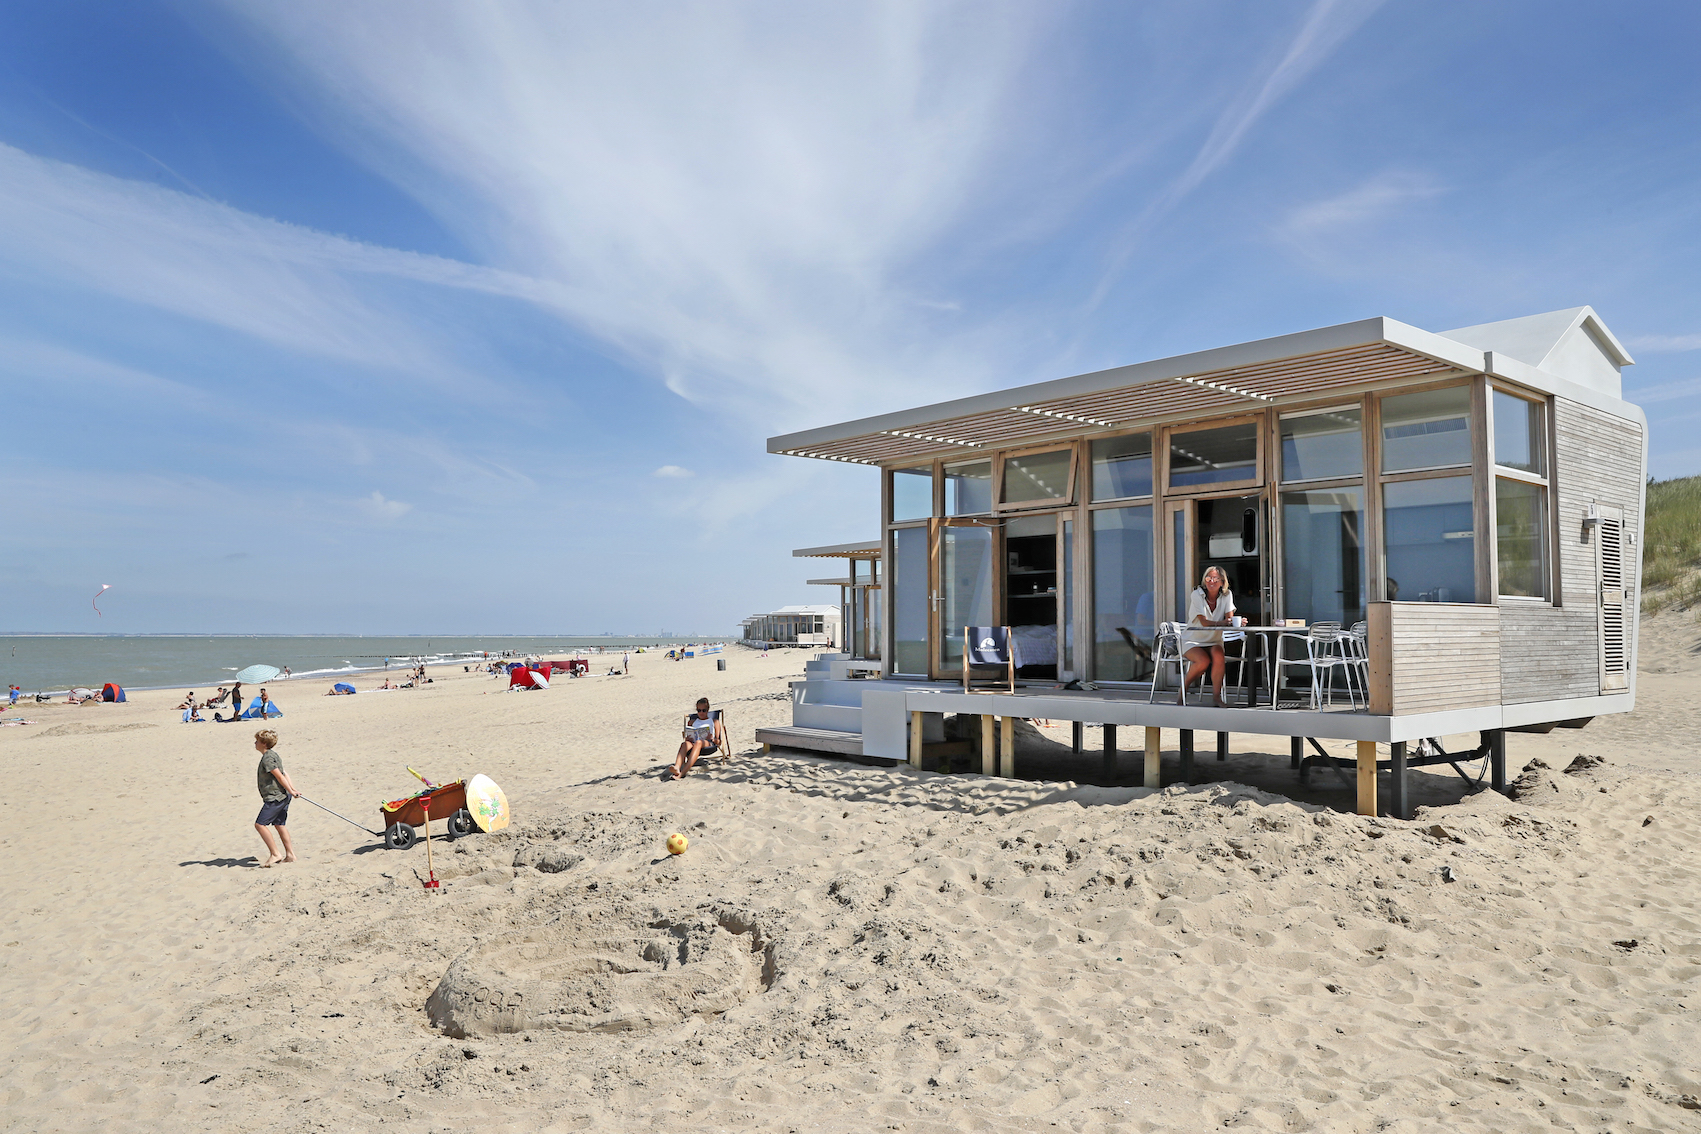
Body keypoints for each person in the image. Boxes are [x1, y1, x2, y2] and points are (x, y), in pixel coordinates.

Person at [1179, 565, 1236, 708]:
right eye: (1208, 578)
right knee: (1203, 661)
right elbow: (1204, 622)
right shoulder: (1196, 595)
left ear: (1222, 582)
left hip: (1214, 640)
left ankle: (1217, 697)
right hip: (1192, 639)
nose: (1211, 581)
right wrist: (1224, 622)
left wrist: (1236, 622)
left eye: (1215, 579)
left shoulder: (1227, 595)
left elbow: (1229, 619)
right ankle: (1183, 690)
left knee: (1219, 655)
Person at [251, 729, 298, 867]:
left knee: (260, 825)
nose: (255, 743)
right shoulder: (273, 755)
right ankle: (290, 855)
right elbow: (285, 773)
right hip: (284, 795)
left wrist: (291, 790)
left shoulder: (268, 758)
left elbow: (279, 775)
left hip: (276, 797)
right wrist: (292, 789)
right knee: (279, 824)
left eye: (257, 741)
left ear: (264, 744)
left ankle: (275, 854)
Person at [670, 698, 725, 780]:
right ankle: (677, 767)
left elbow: (719, 742)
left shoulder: (714, 721)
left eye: (704, 710)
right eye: (699, 710)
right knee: (684, 744)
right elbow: (688, 738)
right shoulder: (692, 722)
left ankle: (683, 773)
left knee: (698, 742)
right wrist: (688, 738)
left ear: (708, 710)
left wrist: (713, 739)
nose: (701, 713)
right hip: (693, 742)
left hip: (708, 743)